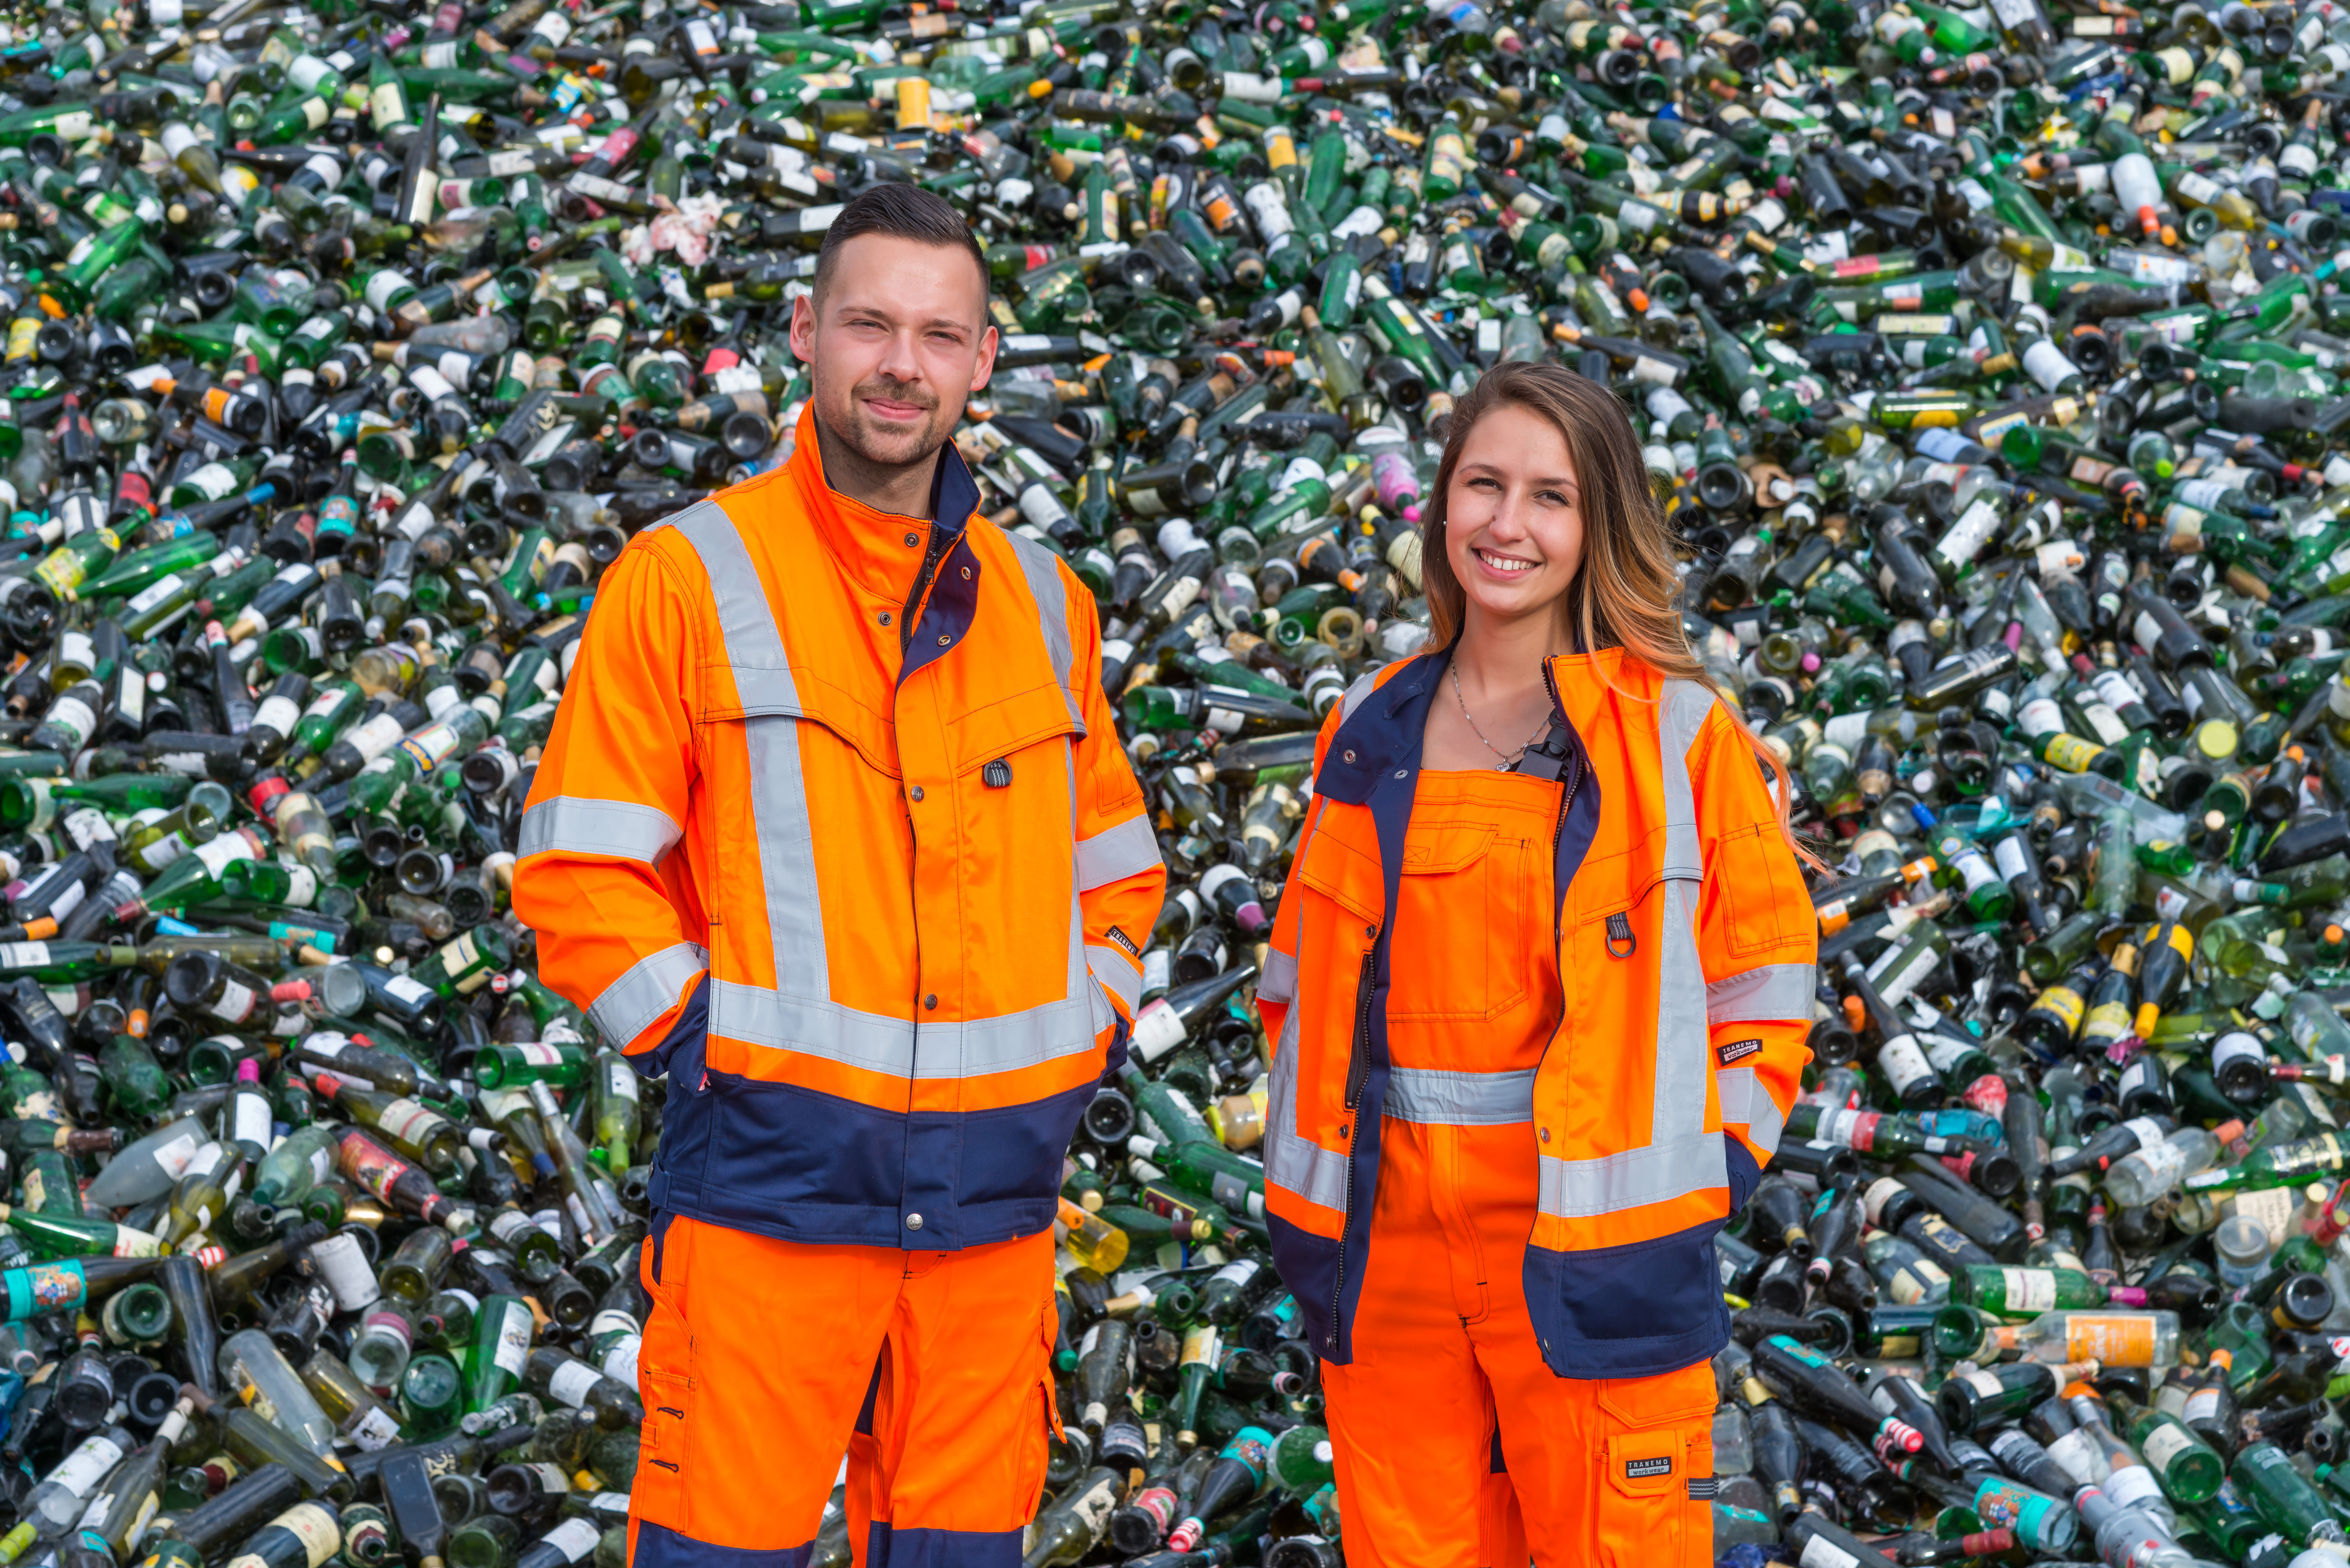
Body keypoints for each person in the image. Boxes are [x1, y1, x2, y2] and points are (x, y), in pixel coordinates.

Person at [512, 184, 1166, 1568]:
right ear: (804, 333)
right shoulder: (688, 578)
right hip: (769, 1203)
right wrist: (712, 1044)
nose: (900, 364)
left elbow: (1116, 871)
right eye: (869, 323)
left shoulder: (1048, 604)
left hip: (992, 1215)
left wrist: (1079, 1035)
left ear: (985, 362)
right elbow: (578, 868)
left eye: (939, 334)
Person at [1254, 361, 1818, 1567]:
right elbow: (1297, 979)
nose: (1508, 525)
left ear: (1597, 524)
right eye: (1482, 485)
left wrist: (1694, 1161)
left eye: (1549, 497)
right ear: (1440, 508)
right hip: (1388, 1254)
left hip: (1594, 1249)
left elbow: (1765, 979)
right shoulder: (1371, 722)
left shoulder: (1677, 733)